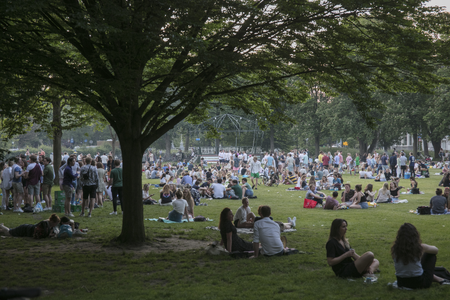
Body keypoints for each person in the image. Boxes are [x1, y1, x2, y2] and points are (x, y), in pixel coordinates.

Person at [392, 223, 450, 288]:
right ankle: (441, 279)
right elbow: (436, 250)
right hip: (420, 283)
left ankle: (440, 279)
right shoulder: (420, 247)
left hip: (401, 282)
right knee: (431, 255)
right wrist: (424, 249)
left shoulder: (395, 249)